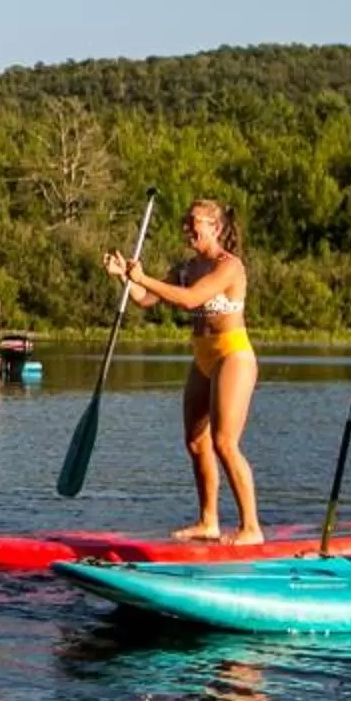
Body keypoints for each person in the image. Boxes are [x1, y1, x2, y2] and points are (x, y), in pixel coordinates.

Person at [108, 198, 262, 544]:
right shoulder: (187, 266)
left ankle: (251, 527)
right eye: (186, 221)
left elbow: (191, 300)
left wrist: (143, 276)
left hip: (232, 355)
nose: (187, 228)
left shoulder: (230, 266)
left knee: (224, 442)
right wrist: (126, 278)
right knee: (196, 442)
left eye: (195, 222)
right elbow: (145, 298)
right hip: (202, 357)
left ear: (215, 228)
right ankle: (209, 522)